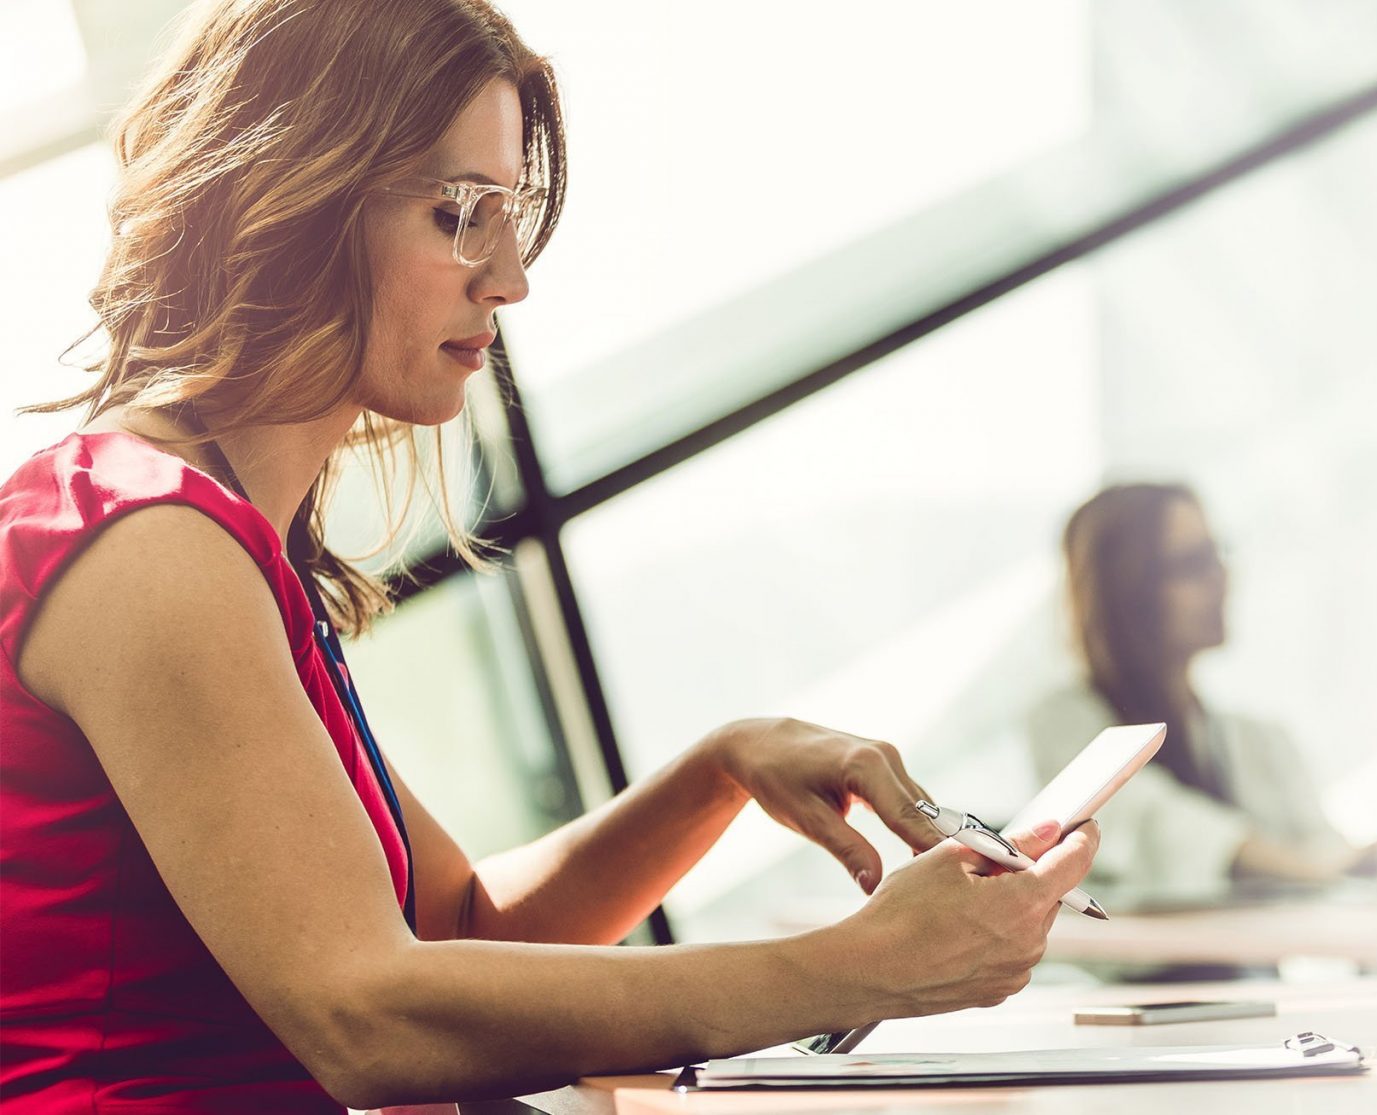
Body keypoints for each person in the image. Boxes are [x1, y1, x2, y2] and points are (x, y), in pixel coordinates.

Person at [0, 1, 1095, 1109]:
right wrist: (858, 969)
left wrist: (718, 770)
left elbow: (459, 926)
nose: (510, 277)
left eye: (508, 212)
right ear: (292, 199)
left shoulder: (226, 547)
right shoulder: (146, 545)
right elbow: (365, 1012)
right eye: (457, 212)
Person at [1025, 484, 1359, 910]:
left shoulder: (1252, 739)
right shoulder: (1062, 724)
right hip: (1142, 973)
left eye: (1218, 554)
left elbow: (1324, 849)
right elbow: (1155, 822)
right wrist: (1308, 868)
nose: (1221, 578)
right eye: (1191, 564)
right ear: (1127, 593)